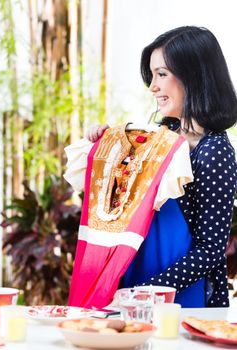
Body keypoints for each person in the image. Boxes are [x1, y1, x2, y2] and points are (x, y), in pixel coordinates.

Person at [85, 26, 237, 307]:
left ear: (194, 77)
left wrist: (147, 291)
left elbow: (211, 250)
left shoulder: (215, 152)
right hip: (138, 289)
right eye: (152, 75)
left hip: (182, 302)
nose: (152, 86)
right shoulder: (159, 137)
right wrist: (107, 147)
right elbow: (119, 202)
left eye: (162, 74)